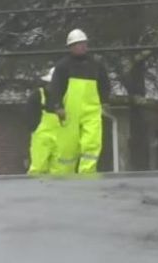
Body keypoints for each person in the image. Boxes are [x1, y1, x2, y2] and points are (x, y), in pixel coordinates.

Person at [47, 29, 111, 175]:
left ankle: (87, 174)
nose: (82, 46)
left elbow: (104, 85)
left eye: (83, 43)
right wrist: (58, 106)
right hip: (70, 112)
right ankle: (63, 176)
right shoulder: (63, 66)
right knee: (67, 146)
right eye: (78, 44)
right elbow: (56, 88)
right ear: (70, 47)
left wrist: (105, 102)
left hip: (92, 110)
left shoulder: (96, 64)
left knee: (92, 143)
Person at [27, 68, 61, 176]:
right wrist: (35, 128)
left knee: (60, 169)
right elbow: (30, 115)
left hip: (61, 136)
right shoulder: (37, 95)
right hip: (41, 136)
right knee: (38, 168)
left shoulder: (64, 96)